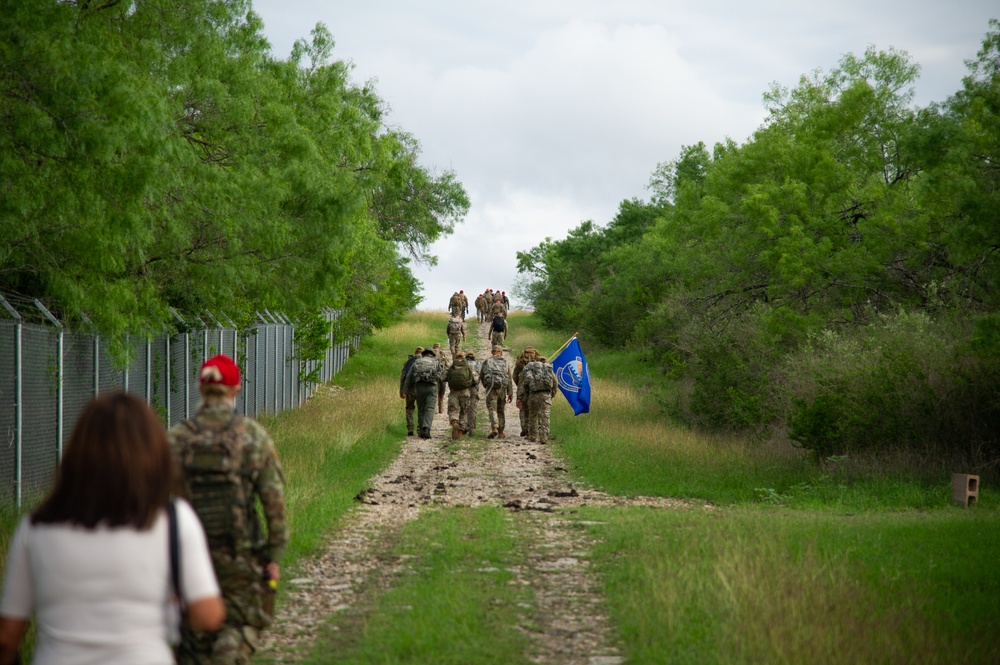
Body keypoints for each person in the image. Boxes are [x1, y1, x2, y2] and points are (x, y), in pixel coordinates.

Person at [0, 391, 225, 665]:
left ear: (77, 454)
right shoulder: (174, 521)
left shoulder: (35, 527)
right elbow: (209, 614)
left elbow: (7, 637)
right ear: (154, 456)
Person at [168, 354, 288, 665]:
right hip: (240, 556)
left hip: (183, 558)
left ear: (200, 388)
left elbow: (152, 503)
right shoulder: (252, 436)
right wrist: (272, 557)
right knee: (235, 626)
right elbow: (273, 500)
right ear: (236, 389)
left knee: (190, 640)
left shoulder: (177, 439)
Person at [402, 348, 444, 439]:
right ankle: (426, 428)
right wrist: (441, 393)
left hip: (419, 387)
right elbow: (441, 379)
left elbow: (408, 377)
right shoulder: (436, 362)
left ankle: (421, 431)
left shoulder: (417, 362)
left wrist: (404, 390)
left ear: (423, 354)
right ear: (432, 355)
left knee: (421, 409)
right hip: (432, 388)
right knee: (429, 408)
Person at [516, 355, 558, 443]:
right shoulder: (548, 370)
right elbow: (555, 384)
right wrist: (551, 395)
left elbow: (523, 385)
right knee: (545, 416)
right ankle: (543, 437)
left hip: (533, 395)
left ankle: (533, 436)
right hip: (546, 395)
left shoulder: (530, 370)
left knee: (533, 416)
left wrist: (520, 397)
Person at [480, 344, 514, 439]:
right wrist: (510, 393)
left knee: (492, 408)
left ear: (492, 352)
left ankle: (494, 427)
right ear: (501, 353)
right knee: (501, 410)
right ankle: (501, 432)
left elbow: (482, 375)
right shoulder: (506, 362)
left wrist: (486, 386)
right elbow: (509, 379)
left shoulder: (487, 361)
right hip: (502, 388)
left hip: (491, 388)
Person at [445, 351, 475, 440]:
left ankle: (454, 423)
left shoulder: (451, 366)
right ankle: (460, 433)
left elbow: (442, 377)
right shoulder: (469, 366)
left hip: (454, 392)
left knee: (453, 410)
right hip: (465, 392)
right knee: (464, 411)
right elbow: (476, 379)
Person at [513, 347, 539, 437]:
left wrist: (520, 385)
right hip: (535, 389)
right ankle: (532, 430)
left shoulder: (520, 363)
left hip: (522, 388)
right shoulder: (538, 362)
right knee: (533, 410)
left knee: (523, 409)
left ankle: (524, 428)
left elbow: (514, 376)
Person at [399, 346, 424, 436]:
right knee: (421, 409)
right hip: (421, 389)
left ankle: (410, 428)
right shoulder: (425, 362)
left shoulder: (408, 362)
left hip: (410, 389)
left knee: (409, 408)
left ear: (415, 352)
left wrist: (402, 391)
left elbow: (403, 377)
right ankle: (419, 428)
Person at [464, 351, 481, 437]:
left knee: (463, 408)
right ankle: (472, 429)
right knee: (472, 409)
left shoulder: (462, 364)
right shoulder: (478, 364)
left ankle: (463, 427)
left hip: (462, 389)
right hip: (474, 388)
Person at [432, 342, 450, 414]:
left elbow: (447, 364)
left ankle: (439, 408)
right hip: (439, 376)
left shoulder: (442, 355)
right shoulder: (441, 355)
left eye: (437, 347)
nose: (436, 348)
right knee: (440, 393)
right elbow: (448, 365)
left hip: (438, 376)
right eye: (435, 347)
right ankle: (439, 408)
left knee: (439, 393)